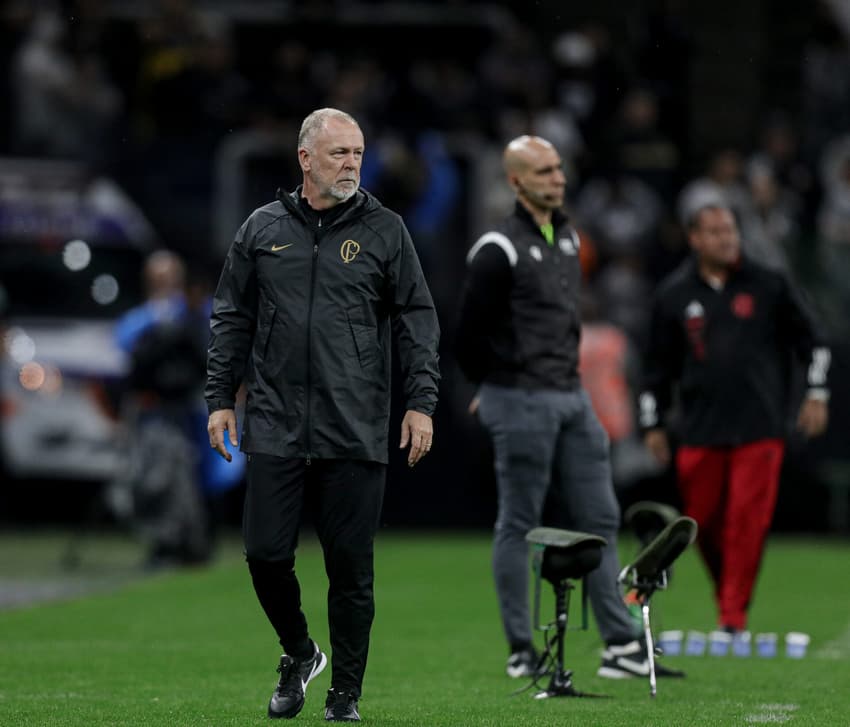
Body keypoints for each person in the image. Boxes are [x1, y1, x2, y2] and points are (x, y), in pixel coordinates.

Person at [205, 108, 440, 722]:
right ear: (306, 159)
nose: (352, 164)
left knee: (350, 570)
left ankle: (346, 696)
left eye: (358, 153)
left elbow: (418, 319)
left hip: (355, 420)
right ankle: (300, 652)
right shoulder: (261, 229)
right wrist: (220, 398)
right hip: (277, 419)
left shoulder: (386, 230)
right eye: (339, 153)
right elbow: (231, 315)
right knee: (263, 554)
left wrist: (420, 402)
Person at [455, 135, 683, 681]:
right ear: (515, 182)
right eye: (543, 171)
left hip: (571, 396)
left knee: (601, 516)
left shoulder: (568, 237)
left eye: (558, 168)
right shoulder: (497, 248)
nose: (557, 178)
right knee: (520, 520)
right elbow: (466, 334)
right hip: (522, 396)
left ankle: (620, 646)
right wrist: (491, 384)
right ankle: (519, 649)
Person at [639, 203, 830, 634]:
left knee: (747, 520)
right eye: (715, 232)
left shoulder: (770, 285)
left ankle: (732, 614)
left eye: (730, 231)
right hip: (699, 427)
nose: (727, 239)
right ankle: (728, 591)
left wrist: (816, 392)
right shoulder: (672, 294)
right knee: (699, 522)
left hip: (759, 426)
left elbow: (814, 343)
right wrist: (652, 423)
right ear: (694, 239)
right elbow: (655, 366)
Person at [113, 250, 212, 568]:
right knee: (154, 477)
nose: (164, 285)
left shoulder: (195, 314)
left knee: (186, 477)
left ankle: (187, 541)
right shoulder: (142, 318)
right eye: (158, 280)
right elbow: (124, 346)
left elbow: (211, 349)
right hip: (152, 409)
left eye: (170, 279)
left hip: (189, 409)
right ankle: (168, 541)